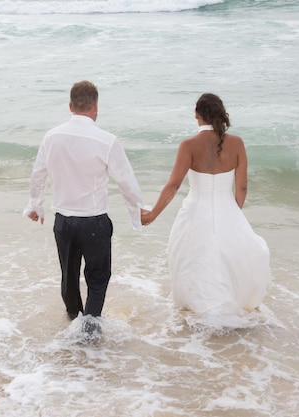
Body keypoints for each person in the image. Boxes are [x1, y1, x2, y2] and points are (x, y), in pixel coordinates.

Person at [24, 80, 144, 337]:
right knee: (97, 280)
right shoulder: (107, 140)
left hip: (64, 222)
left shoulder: (52, 136)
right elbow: (126, 182)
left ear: (70, 106)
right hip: (93, 222)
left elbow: (38, 174)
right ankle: (87, 335)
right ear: (96, 106)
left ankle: (73, 324)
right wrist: (138, 213)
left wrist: (36, 206)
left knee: (69, 278)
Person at [141, 93, 271, 329]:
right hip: (228, 210)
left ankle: (200, 310)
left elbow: (173, 185)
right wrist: (233, 213)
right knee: (227, 258)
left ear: (196, 115)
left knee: (195, 259)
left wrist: (152, 214)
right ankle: (228, 309)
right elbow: (242, 186)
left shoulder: (188, 145)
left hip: (194, 212)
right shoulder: (237, 144)